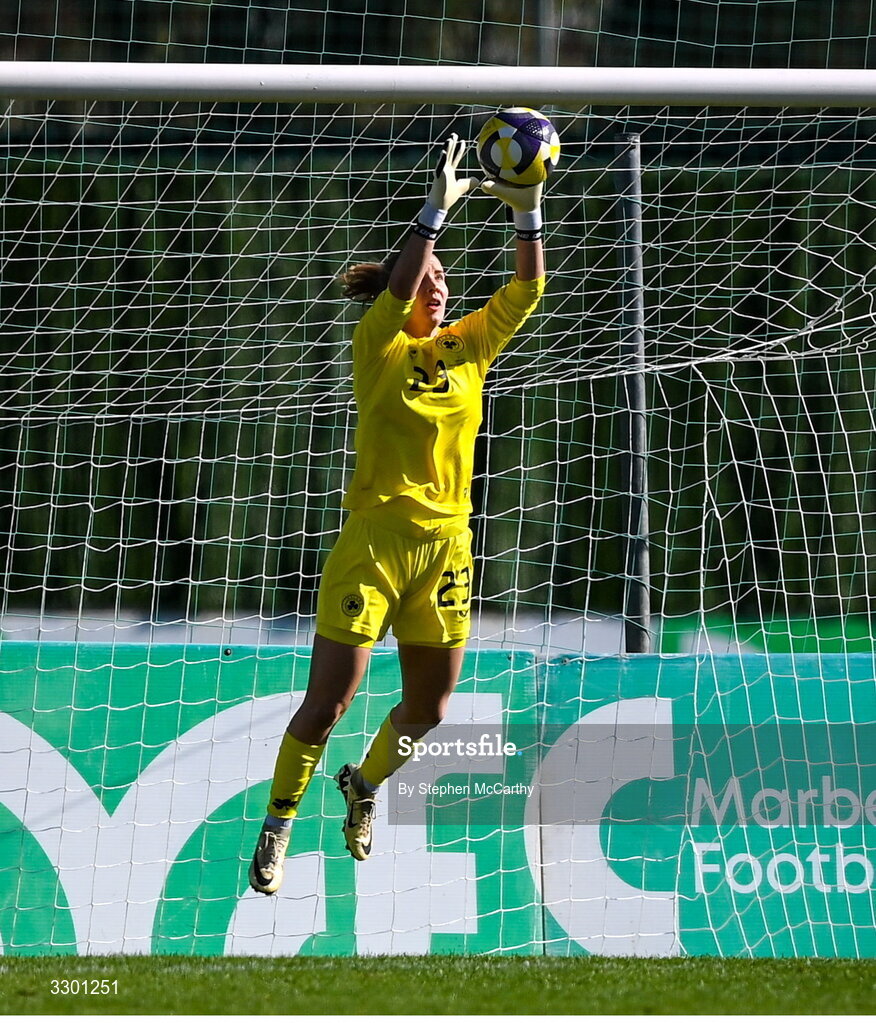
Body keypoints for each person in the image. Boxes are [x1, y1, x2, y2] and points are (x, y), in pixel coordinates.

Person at [249, 134, 546, 894]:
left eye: (445, 279)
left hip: (446, 548)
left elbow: (526, 292)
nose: (439, 288)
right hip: (374, 546)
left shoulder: (468, 348)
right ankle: (279, 825)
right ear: (403, 288)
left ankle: (365, 784)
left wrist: (528, 210)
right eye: (428, 279)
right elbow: (401, 283)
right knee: (331, 700)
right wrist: (432, 214)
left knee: (430, 705)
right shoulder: (377, 346)